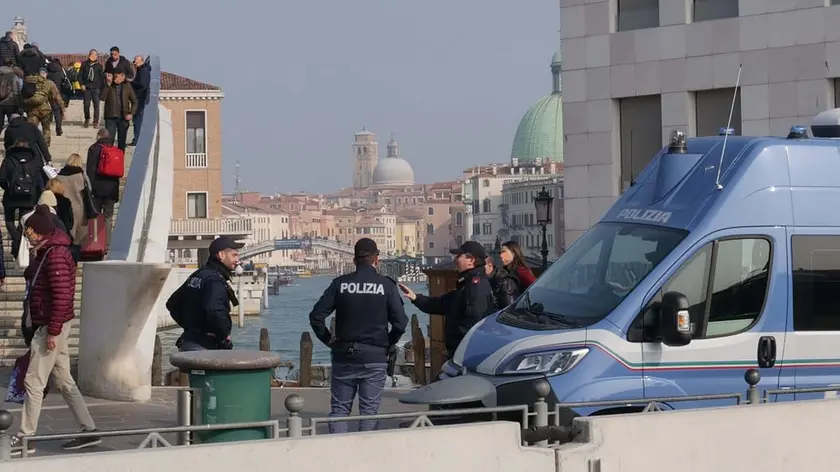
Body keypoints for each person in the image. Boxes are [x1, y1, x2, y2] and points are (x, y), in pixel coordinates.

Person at [10, 205, 100, 455]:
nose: (27, 236)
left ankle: (26, 436)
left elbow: (62, 296)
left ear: (40, 232)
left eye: (30, 232)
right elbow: (38, 278)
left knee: (33, 381)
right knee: (64, 380)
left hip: (51, 325)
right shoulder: (47, 251)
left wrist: (52, 331)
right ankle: (89, 430)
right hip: (52, 323)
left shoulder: (56, 254)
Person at [308, 238, 408, 433]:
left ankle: (338, 451)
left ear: (354, 260)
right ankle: (367, 456)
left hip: (344, 355)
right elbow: (401, 322)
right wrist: (389, 342)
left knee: (339, 410)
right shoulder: (386, 286)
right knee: (369, 413)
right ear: (376, 260)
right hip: (375, 356)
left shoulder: (340, 284)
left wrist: (329, 340)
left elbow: (316, 316)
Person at [399, 241, 495, 359]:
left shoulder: (475, 285)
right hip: (460, 351)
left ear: (471, 260)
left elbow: (474, 321)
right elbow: (440, 304)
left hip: (466, 352)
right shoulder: (467, 284)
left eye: (459, 256)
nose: (455, 259)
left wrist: (457, 341)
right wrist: (415, 298)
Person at [166, 236, 243, 351]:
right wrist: (223, 335)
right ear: (221, 255)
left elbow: (172, 304)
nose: (238, 260)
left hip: (188, 342)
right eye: (234, 255)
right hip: (205, 347)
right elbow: (214, 309)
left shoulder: (199, 274)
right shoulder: (215, 280)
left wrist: (191, 328)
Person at [0, 139, 45, 254]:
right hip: (29, 197)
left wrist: (10, 188)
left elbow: (2, 178)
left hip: (11, 197)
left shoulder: (8, 160)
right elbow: (39, 181)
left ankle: (17, 240)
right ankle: (19, 244)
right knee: (24, 222)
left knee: (9, 221)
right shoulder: (34, 160)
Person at [55, 153, 89, 245]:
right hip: (80, 208)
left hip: (65, 208)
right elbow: (89, 190)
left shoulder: (59, 176)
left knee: (68, 232)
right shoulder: (81, 176)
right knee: (80, 237)